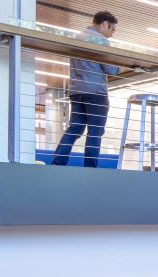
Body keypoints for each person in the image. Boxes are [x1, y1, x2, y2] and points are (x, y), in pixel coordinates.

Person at [50, 11, 120, 168]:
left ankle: (58, 162)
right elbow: (109, 67)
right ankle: (90, 169)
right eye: (112, 29)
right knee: (95, 131)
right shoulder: (100, 40)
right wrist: (120, 67)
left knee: (75, 128)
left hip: (76, 91)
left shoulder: (77, 37)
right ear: (105, 24)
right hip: (95, 93)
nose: (112, 35)